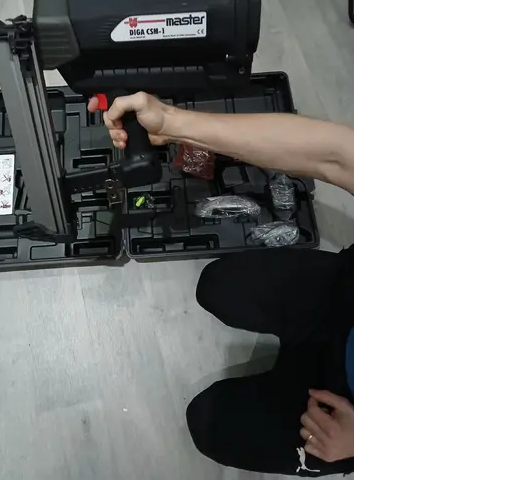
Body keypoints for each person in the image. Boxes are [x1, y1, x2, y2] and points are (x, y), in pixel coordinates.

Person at [89, 92, 361, 477]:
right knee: (221, 286)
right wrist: (170, 121)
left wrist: (357, 444)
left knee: (211, 423)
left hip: (343, 408)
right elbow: (339, 155)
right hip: (346, 299)